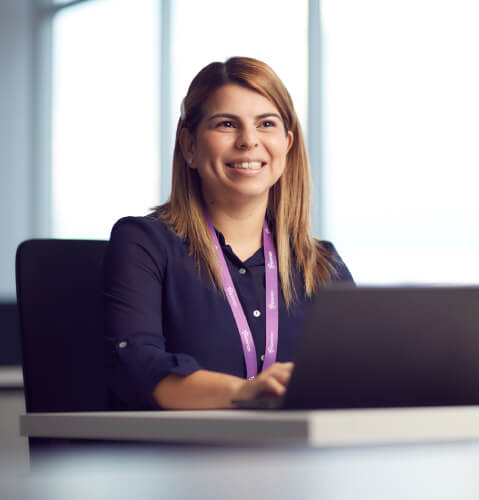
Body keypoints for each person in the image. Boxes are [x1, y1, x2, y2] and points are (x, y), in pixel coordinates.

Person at [101, 57, 354, 410]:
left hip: (301, 458)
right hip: (180, 460)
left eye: (266, 123)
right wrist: (245, 391)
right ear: (189, 146)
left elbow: (360, 373)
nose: (249, 141)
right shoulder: (144, 244)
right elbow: (138, 369)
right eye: (226, 124)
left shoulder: (321, 263)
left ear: (288, 144)